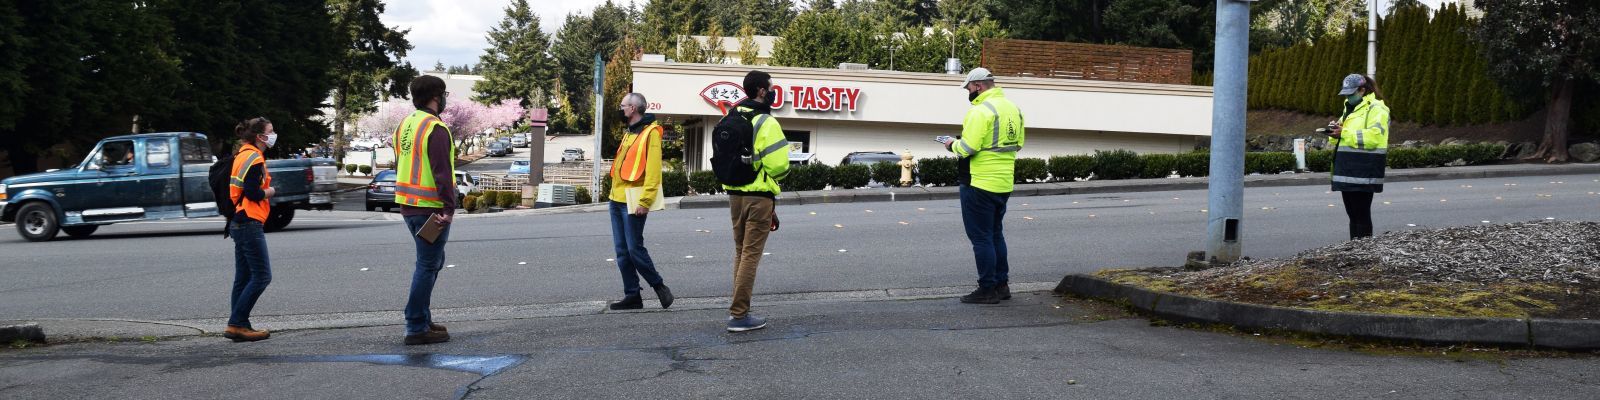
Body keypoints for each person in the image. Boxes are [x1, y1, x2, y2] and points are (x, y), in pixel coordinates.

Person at [937, 67, 1025, 305]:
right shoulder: (1013, 109)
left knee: (981, 238)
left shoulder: (980, 111)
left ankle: (987, 289)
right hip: (1003, 181)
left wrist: (950, 144)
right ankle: (1001, 285)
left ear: (978, 86)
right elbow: (1018, 144)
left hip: (978, 182)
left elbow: (967, 148)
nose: (968, 92)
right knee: (996, 234)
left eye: (968, 88)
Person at [722, 70, 790, 332]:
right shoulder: (766, 122)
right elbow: (780, 167)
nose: (773, 92)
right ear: (761, 91)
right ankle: (739, 315)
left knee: (740, 252)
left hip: (735, 195)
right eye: (771, 88)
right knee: (750, 255)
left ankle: (739, 310)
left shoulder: (733, 114)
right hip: (758, 197)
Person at [394, 75, 458, 345]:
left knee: (433, 262)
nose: (445, 100)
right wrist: (449, 207)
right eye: (444, 95)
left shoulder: (405, 125)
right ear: (436, 96)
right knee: (427, 264)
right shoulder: (435, 128)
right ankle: (416, 325)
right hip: (431, 208)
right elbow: (441, 172)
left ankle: (421, 317)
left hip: (409, 205)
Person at [606, 92, 673, 310]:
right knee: (622, 252)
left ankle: (659, 286)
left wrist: (645, 201)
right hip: (616, 199)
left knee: (634, 249)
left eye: (623, 105)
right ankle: (632, 295)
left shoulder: (650, 132)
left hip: (634, 201)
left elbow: (654, 171)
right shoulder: (630, 131)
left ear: (633, 109)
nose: (620, 109)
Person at [224, 117, 277, 342]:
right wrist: (271, 192)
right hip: (249, 221)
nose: (274, 134)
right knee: (262, 276)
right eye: (270, 131)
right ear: (260, 137)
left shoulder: (243, 154)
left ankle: (239, 325)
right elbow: (254, 193)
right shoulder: (254, 158)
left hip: (238, 220)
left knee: (243, 277)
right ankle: (236, 323)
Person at [1324, 73, 1389, 239]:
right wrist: (1334, 130)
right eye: (1346, 93)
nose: (1348, 96)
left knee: (1361, 215)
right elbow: (1341, 137)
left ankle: (1364, 252)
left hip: (1364, 170)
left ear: (1362, 90)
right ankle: (1355, 250)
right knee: (1353, 215)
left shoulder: (1377, 108)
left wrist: (1344, 132)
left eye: (1351, 93)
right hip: (1348, 171)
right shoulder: (1349, 108)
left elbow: (1374, 137)